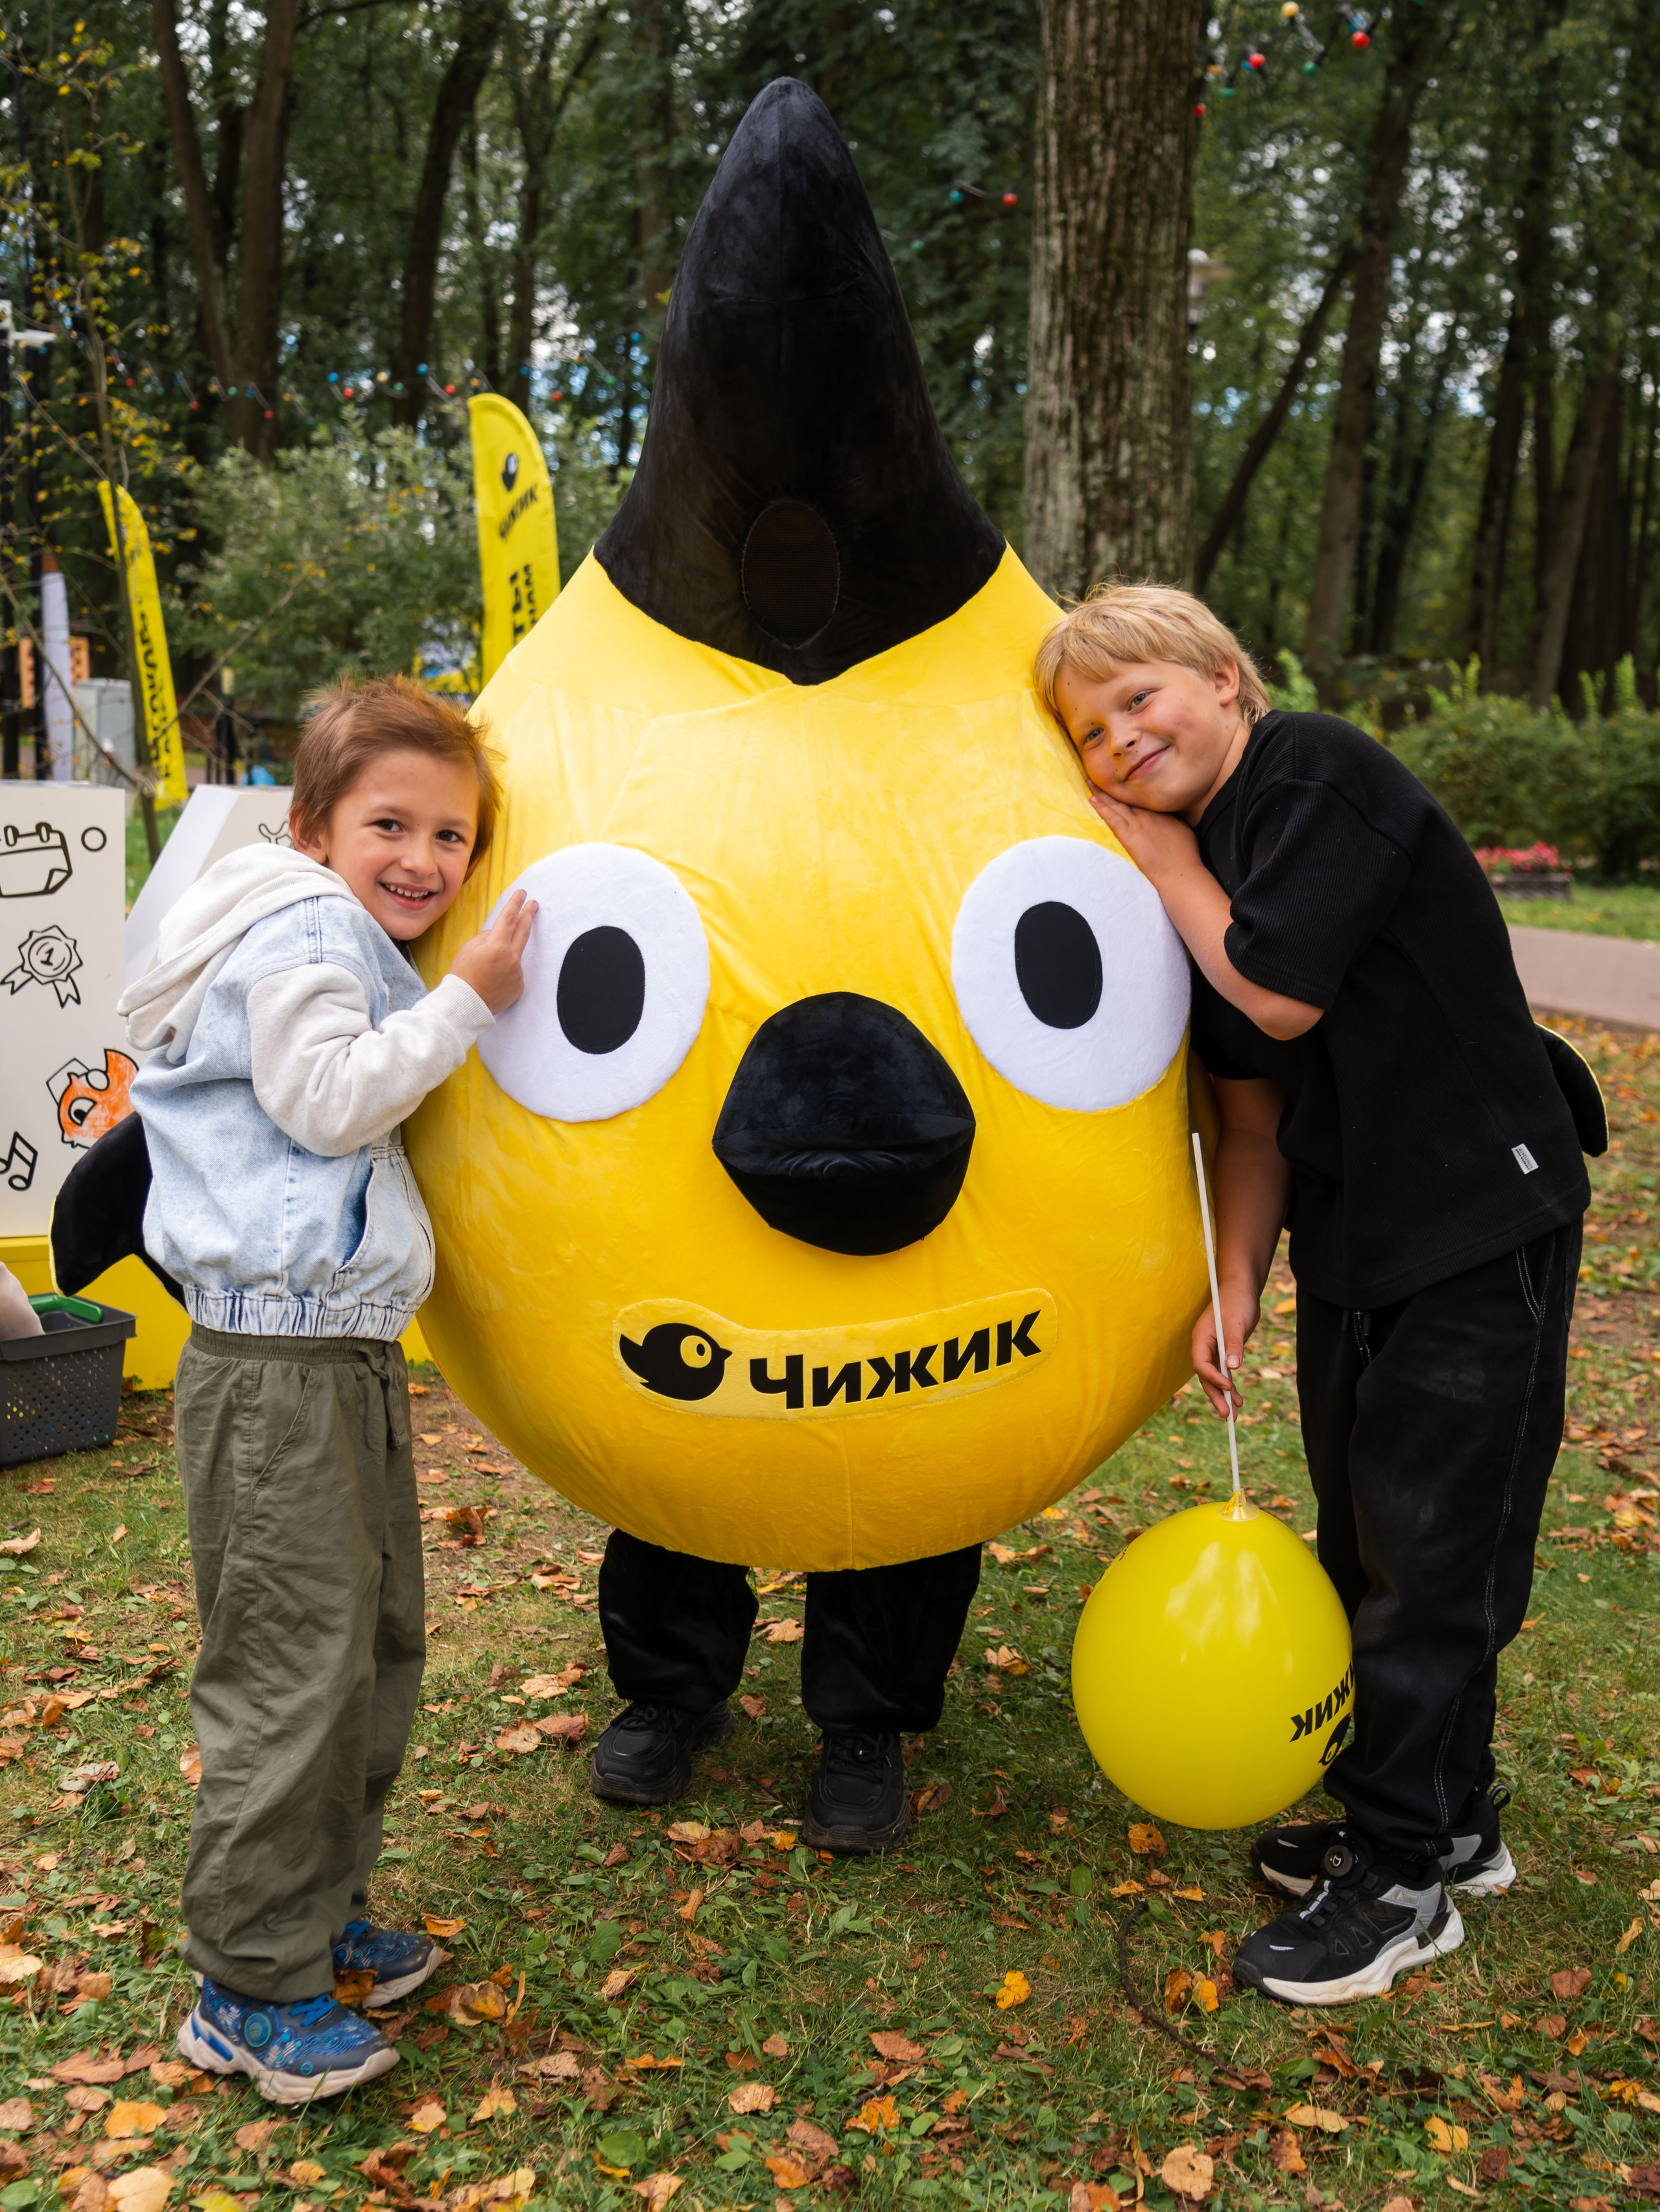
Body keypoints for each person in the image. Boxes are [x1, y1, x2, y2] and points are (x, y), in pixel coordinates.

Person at [1036, 586, 1600, 2006]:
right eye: (1089, 734)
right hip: (1358, 1237)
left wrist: (1158, 856)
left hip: (1476, 1212)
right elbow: (1245, 1103)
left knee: (1434, 1554)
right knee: (1370, 1536)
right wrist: (1233, 1279)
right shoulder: (1208, 853)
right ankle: (1443, 1816)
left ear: (1225, 678)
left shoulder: (1315, 776)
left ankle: (1402, 1875)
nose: (1119, 741)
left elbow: (1278, 991)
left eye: (1139, 699)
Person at [120, 677, 535, 2101]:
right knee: (293, 1671)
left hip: (334, 1354)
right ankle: (246, 1980)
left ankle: (317, 1916)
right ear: (311, 827)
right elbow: (324, 1096)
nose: (425, 858)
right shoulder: (306, 925)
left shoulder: (342, 927)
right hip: (273, 1364)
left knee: (367, 1652)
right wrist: (471, 1000)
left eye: (454, 834)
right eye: (390, 824)